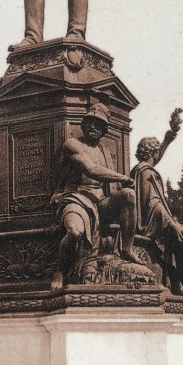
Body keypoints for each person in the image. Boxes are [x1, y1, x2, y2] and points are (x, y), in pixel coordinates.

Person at [51, 103, 142, 287]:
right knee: (75, 232)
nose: (93, 127)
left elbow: (112, 189)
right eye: (90, 123)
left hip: (99, 202)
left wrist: (119, 197)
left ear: (104, 130)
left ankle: (126, 249)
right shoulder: (72, 144)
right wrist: (123, 177)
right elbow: (91, 169)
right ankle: (60, 270)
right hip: (76, 198)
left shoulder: (104, 152)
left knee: (129, 195)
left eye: (98, 124)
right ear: (83, 125)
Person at [131, 109, 183, 294]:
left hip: (161, 222)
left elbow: (158, 156)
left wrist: (170, 135)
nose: (159, 154)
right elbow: (153, 203)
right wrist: (170, 222)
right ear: (152, 153)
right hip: (159, 224)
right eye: (157, 150)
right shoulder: (146, 172)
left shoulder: (141, 169)